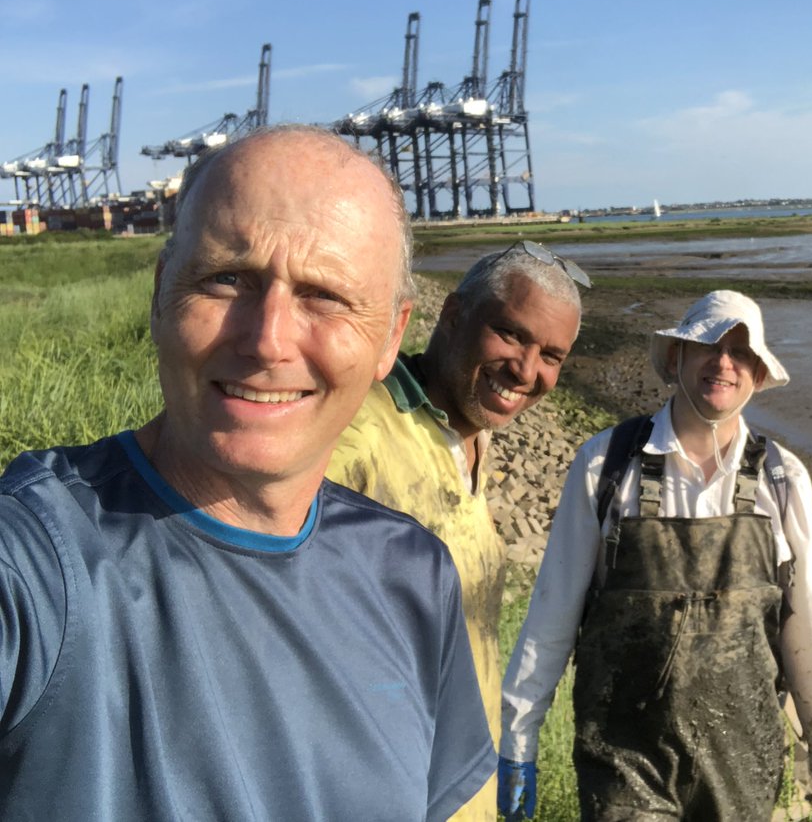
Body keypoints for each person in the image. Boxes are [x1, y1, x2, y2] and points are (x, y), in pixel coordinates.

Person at [0, 126, 494, 820]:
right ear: (159, 294)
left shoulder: (414, 575)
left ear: (390, 336)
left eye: (324, 294)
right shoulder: (39, 563)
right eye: (227, 278)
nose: (267, 339)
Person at [498, 290, 812, 821]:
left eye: (742, 353)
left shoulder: (781, 479)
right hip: (624, 758)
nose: (724, 362)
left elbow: (810, 624)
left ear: (757, 375)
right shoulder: (606, 464)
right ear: (676, 358)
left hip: (742, 762)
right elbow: (553, 609)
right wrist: (518, 735)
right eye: (709, 345)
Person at [327, 240, 586, 821]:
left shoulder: (471, 434)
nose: (527, 370)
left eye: (552, 354)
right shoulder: (359, 436)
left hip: (465, 788)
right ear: (451, 314)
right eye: (512, 334)